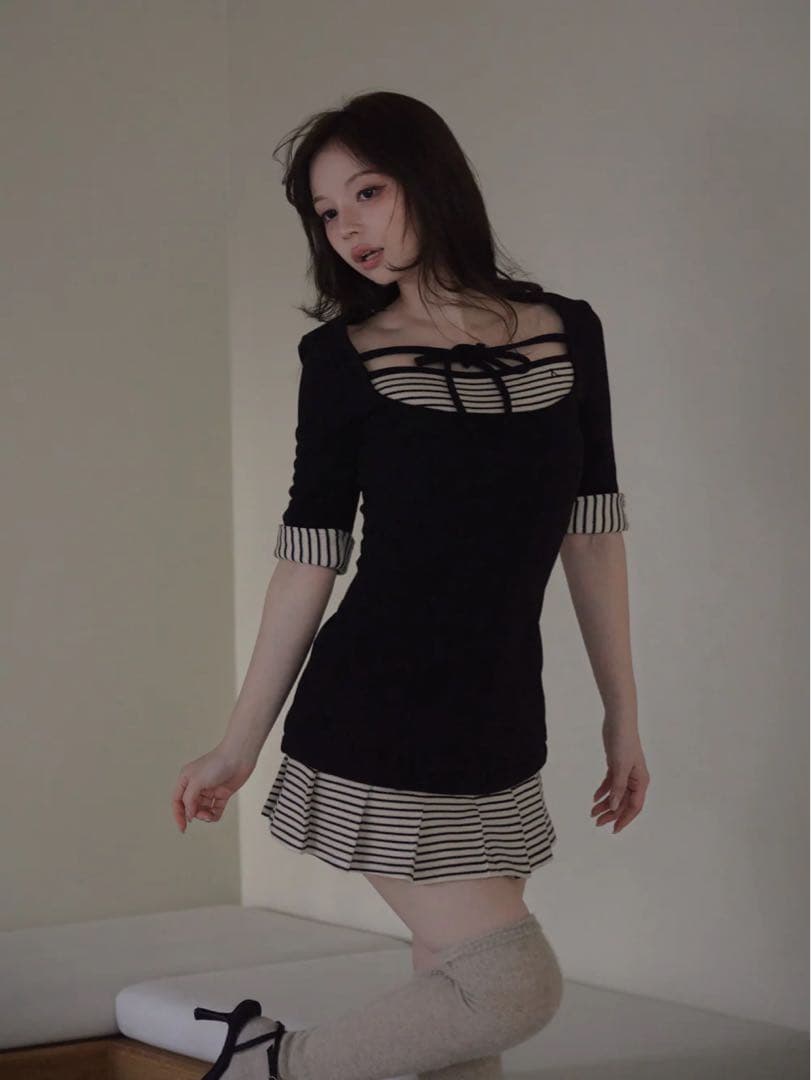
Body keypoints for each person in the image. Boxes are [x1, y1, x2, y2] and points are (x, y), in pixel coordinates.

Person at [171, 90, 650, 1080]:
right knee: (509, 982)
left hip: (500, 716)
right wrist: (238, 741)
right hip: (376, 712)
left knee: (454, 988)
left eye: (367, 193)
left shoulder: (569, 331)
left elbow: (593, 535)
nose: (347, 229)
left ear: (429, 180)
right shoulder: (339, 361)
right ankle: (268, 1066)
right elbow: (308, 557)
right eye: (325, 212)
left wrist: (623, 716)